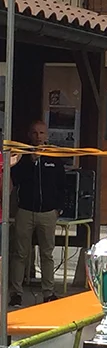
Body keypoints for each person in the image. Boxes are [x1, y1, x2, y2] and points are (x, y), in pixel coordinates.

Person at [9, 121, 65, 306]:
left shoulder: (54, 156)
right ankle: (16, 293)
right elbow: (15, 179)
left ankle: (48, 293)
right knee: (20, 254)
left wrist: (58, 208)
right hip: (25, 211)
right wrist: (31, 162)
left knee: (47, 254)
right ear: (29, 135)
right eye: (34, 133)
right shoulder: (23, 155)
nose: (38, 136)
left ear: (46, 135)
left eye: (41, 133)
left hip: (48, 213)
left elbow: (62, 184)